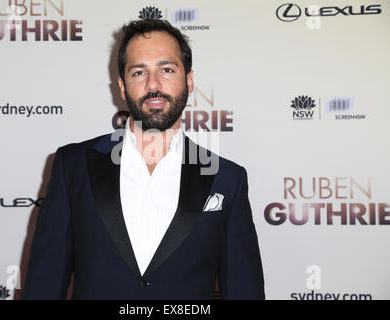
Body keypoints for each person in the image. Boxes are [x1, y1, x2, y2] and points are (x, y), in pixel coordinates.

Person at [22, 18, 265, 300]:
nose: (153, 85)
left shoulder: (227, 179)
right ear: (123, 86)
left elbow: (244, 289)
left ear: (189, 80)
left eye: (167, 69)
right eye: (139, 72)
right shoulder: (73, 165)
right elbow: (45, 282)